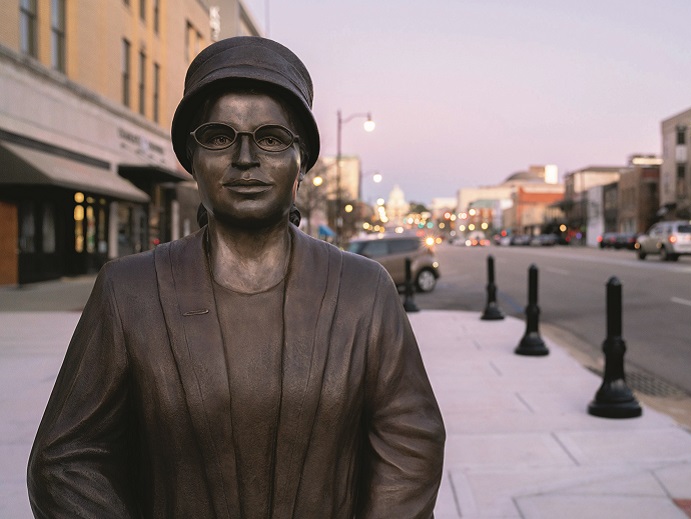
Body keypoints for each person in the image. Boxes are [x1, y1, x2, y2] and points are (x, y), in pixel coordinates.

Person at [28, 36, 445, 518]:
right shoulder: (130, 292)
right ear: (192, 159)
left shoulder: (364, 291)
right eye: (219, 137)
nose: (245, 158)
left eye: (270, 138)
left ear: (301, 161)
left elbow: (411, 444)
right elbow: (64, 461)